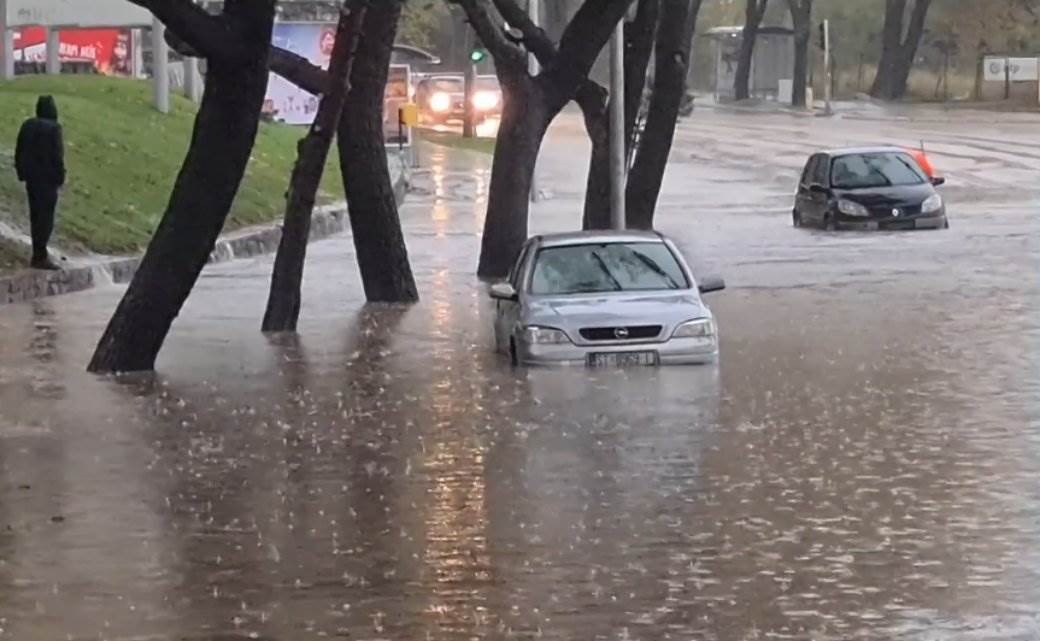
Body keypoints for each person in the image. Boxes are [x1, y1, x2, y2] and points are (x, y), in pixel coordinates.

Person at [14, 95, 65, 270]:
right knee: (46, 218)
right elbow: (57, 156)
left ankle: (38, 252)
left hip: (31, 179)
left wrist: (21, 172)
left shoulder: (27, 126)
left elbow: (19, 150)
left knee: (35, 214)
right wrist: (60, 176)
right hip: (48, 179)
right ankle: (40, 254)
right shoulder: (54, 129)